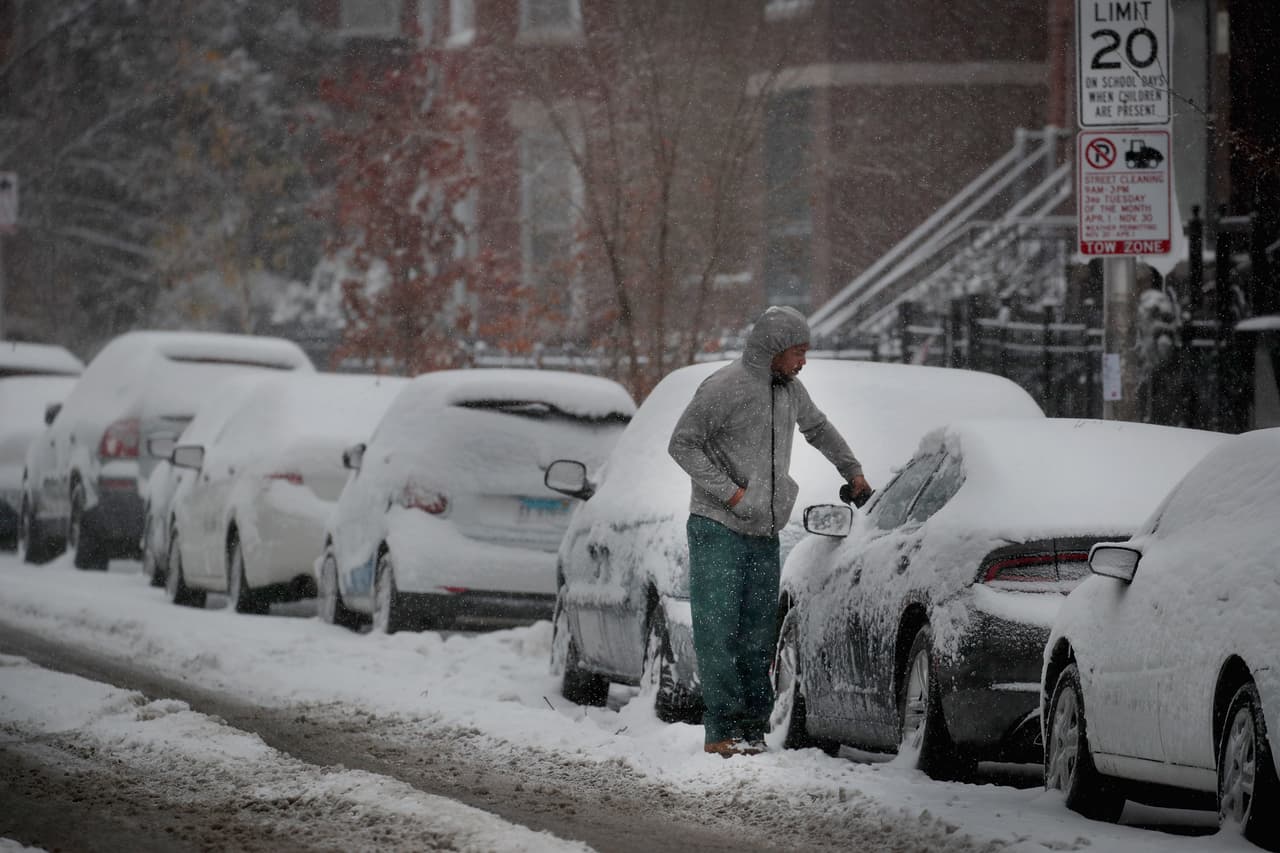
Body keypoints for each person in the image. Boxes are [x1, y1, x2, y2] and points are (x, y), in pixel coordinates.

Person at [667, 305, 872, 758]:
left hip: (763, 530)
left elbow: (818, 429)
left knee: (759, 634)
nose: (803, 362)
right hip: (717, 526)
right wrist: (731, 494)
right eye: (798, 352)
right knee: (719, 630)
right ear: (774, 349)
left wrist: (852, 471)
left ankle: (752, 731)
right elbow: (682, 443)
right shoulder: (726, 387)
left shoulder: (790, 391)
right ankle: (721, 730)